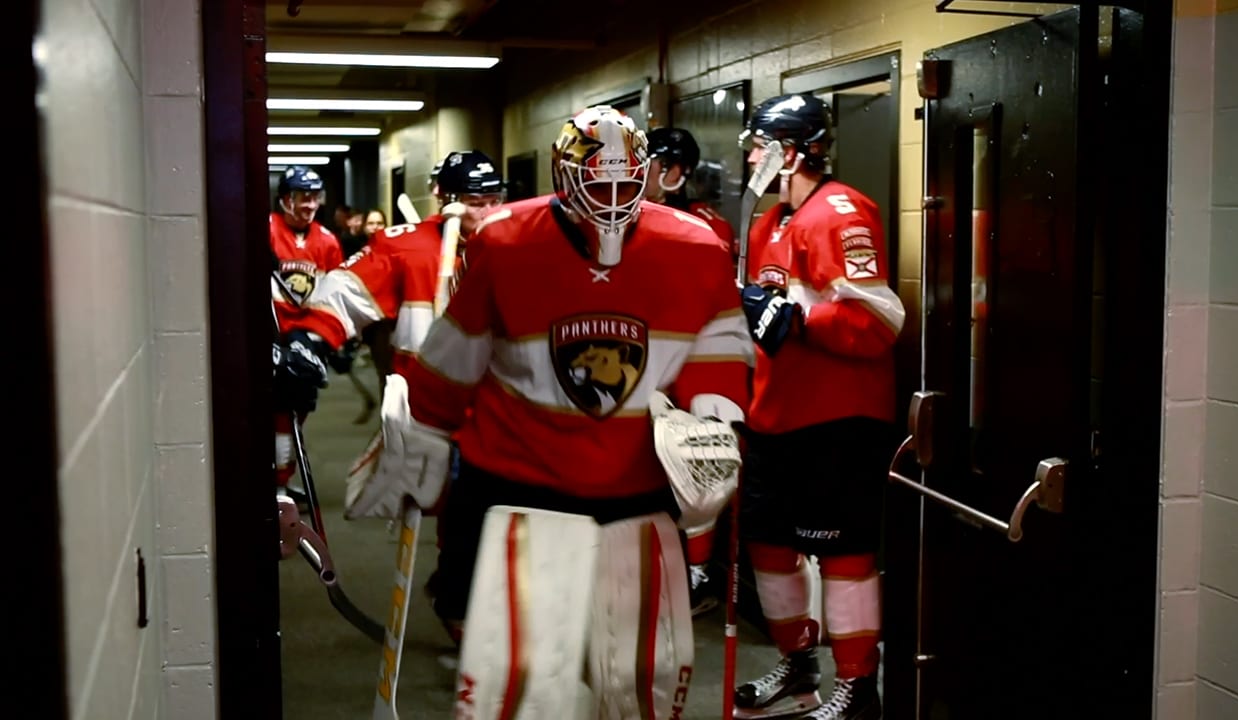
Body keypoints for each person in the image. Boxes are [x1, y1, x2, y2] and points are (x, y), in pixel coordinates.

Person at [281, 106, 752, 716]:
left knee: (641, 678)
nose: (612, 199)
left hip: (638, 492)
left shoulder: (693, 246)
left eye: (624, 182)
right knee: (522, 679)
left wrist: (714, 421)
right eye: (597, 182)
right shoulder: (503, 240)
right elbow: (454, 359)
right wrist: (421, 423)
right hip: (520, 486)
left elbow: (717, 346)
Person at [732, 94, 905, 720]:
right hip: (777, 414)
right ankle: (799, 663)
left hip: (838, 420)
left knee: (843, 553)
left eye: (759, 143)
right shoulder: (769, 220)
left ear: (794, 150)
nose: (750, 155)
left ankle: (858, 688)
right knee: (769, 547)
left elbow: (879, 323)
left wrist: (795, 317)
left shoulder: (841, 213)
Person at [273, 150, 506, 410]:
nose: (488, 214)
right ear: (446, 199)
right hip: (422, 406)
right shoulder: (404, 247)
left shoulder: (515, 247)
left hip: (493, 405)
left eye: (494, 201)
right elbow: (342, 292)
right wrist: (309, 343)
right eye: (475, 203)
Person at [644, 125, 738, 617]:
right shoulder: (626, 219)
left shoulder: (706, 228)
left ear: (675, 172)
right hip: (639, 363)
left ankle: (698, 574)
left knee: (696, 463)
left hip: (689, 363)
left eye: (651, 163)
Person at [270, 165, 344, 496]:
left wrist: (330, 340)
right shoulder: (266, 230)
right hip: (272, 334)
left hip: (307, 337)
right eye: (302, 197)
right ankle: (276, 484)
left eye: (315, 197)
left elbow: (333, 292)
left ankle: (281, 480)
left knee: (296, 413)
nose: (309, 204)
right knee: (275, 415)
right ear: (285, 199)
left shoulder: (327, 240)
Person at [645, 126, 736, 257]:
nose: (640, 172)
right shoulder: (629, 216)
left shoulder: (710, 227)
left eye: (646, 165)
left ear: (674, 172)